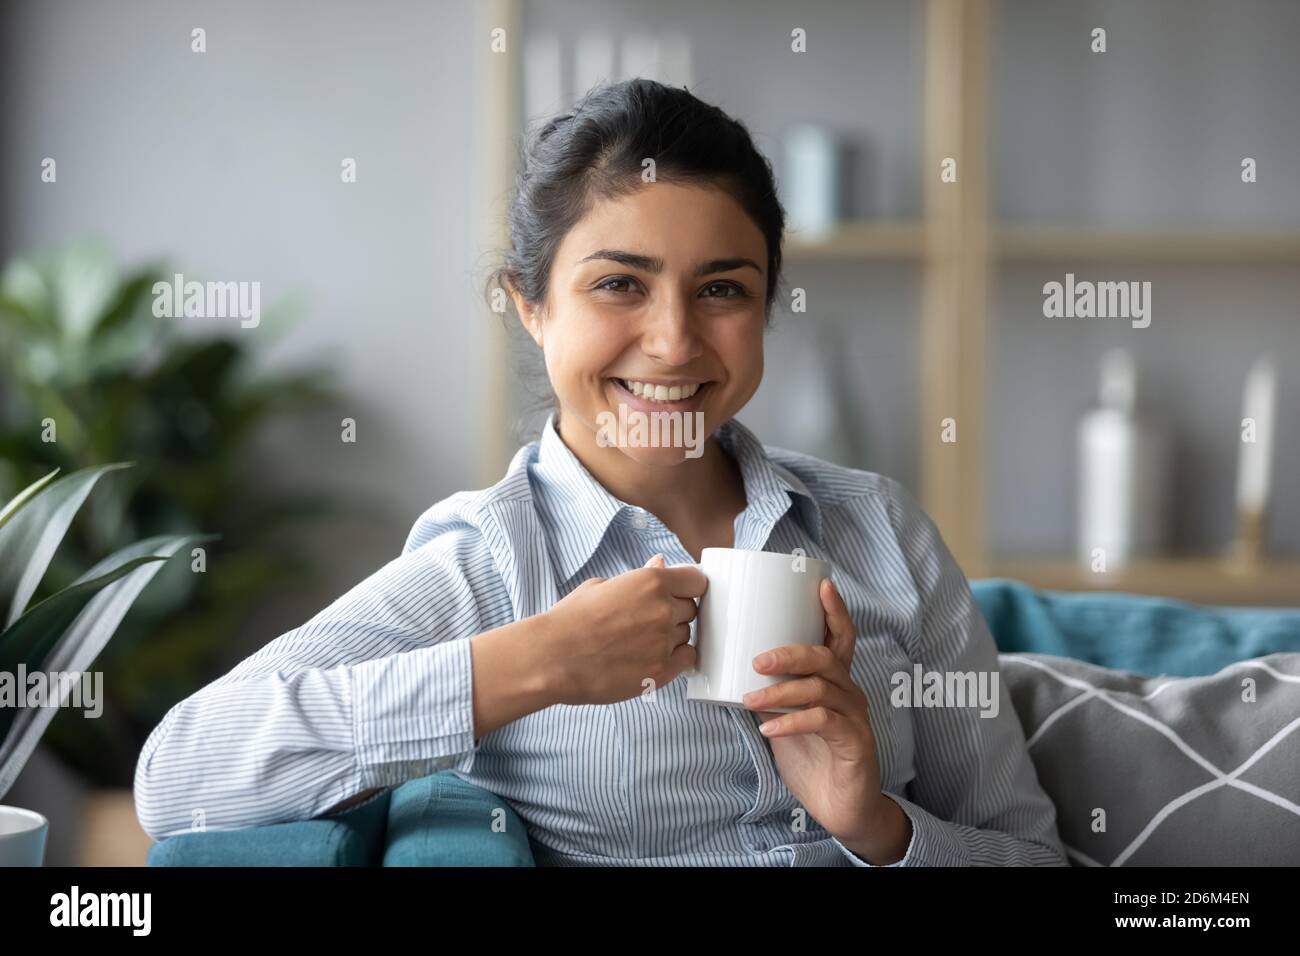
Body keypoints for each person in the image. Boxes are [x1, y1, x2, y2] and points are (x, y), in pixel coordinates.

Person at [134, 78, 1067, 867]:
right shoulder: (490, 562)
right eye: (619, 283)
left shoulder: (878, 527)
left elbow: (1032, 855)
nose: (672, 340)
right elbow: (179, 774)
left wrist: (875, 825)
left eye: (722, 289)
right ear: (531, 306)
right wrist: (533, 664)